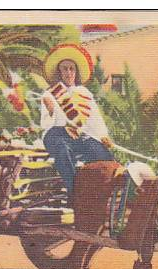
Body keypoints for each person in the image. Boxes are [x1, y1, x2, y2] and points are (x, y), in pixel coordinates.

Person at [40, 44, 114, 198]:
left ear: (76, 71)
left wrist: (103, 136)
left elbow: (95, 119)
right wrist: (52, 110)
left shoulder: (84, 92)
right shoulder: (50, 93)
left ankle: (105, 194)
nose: (68, 72)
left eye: (71, 68)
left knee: (102, 153)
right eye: (64, 69)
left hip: (79, 134)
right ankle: (75, 192)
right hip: (57, 134)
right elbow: (47, 124)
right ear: (59, 72)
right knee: (63, 150)